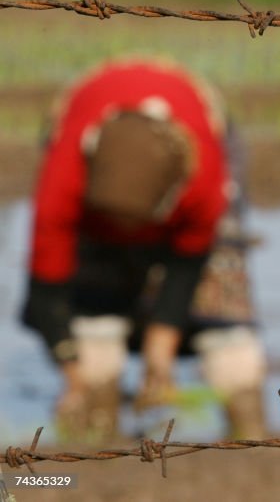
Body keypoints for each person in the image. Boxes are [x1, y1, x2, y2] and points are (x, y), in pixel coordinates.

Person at [20, 58, 267, 442]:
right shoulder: (64, 181)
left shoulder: (202, 173)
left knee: (223, 307)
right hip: (90, 146)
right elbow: (46, 286)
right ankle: (95, 419)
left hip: (192, 124)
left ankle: (250, 427)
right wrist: (72, 373)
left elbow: (190, 260)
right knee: (91, 305)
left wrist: (160, 346)